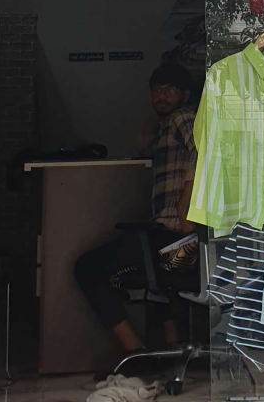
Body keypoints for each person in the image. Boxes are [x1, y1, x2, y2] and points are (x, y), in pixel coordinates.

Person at [74, 61, 197, 355]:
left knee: (87, 267)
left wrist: (187, 207)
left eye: (169, 90)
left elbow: (204, 153)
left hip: (178, 241)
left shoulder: (184, 117)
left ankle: (135, 351)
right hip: (179, 247)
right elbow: (141, 146)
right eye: (156, 90)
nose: (161, 96)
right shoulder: (167, 125)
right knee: (160, 279)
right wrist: (156, 112)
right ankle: (172, 347)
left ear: (185, 95)